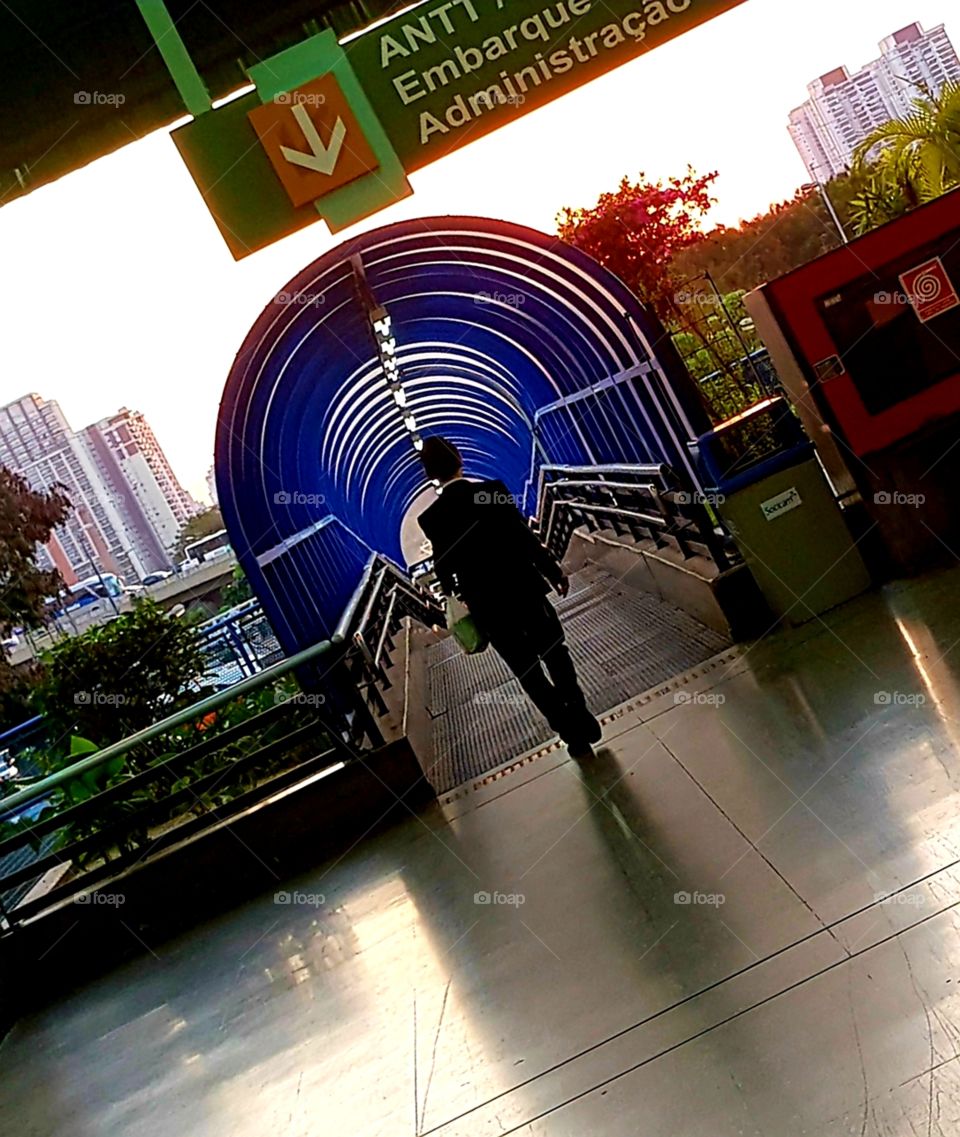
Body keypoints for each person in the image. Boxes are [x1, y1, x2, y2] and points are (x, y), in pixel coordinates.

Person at [417, 436, 602, 759]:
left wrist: (454, 595)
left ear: (429, 473)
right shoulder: (491, 491)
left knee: (528, 671)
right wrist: (552, 571)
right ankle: (579, 713)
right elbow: (523, 536)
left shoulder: (431, 518)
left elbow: (444, 567)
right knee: (555, 653)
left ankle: (568, 730)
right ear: (460, 459)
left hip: (487, 606)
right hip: (524, 588)